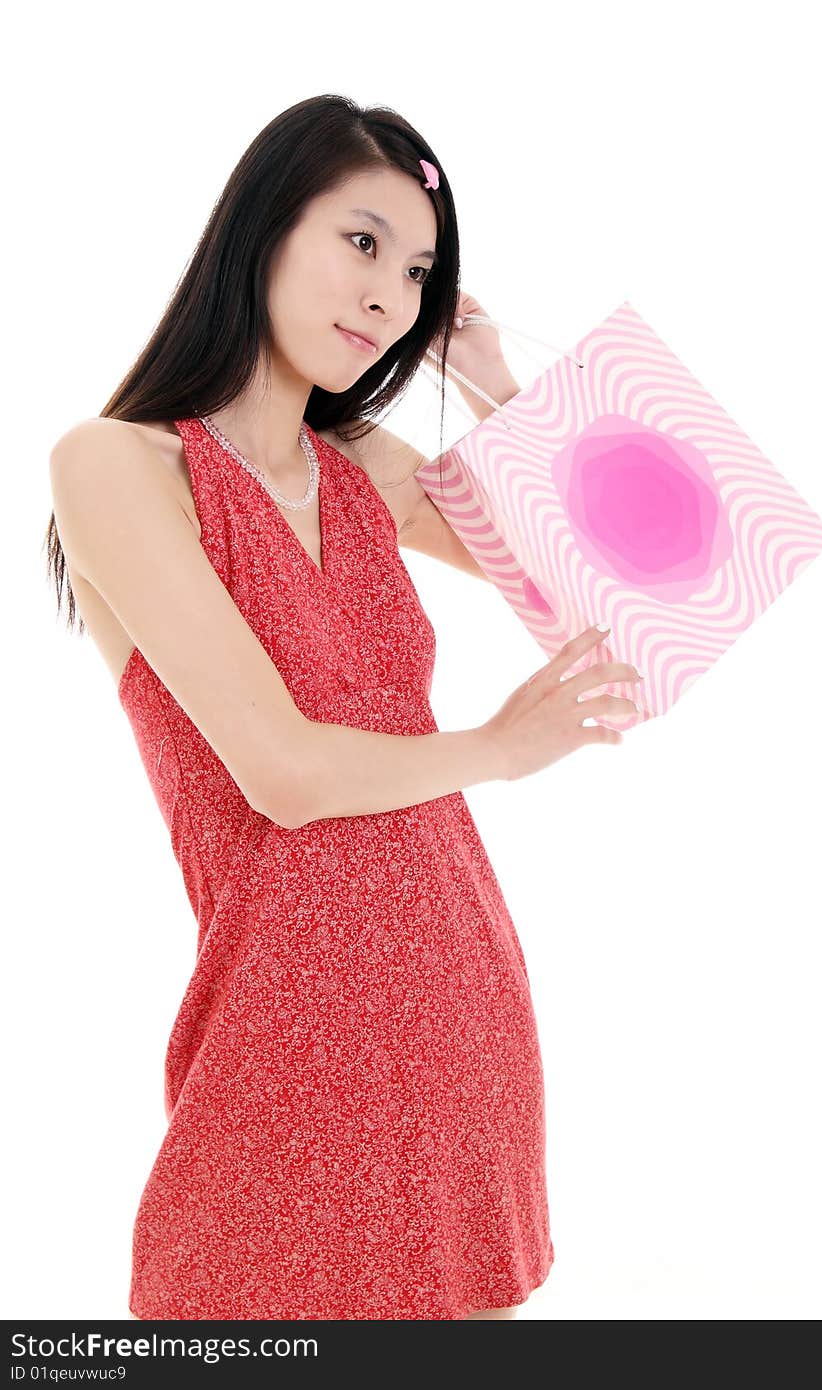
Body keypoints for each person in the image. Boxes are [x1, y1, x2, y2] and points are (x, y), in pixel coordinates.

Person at [45, 94, 642, 1321]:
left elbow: (607, 579)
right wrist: (495, 747)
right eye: (360, 242)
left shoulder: (366, 468)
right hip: (284, 1051)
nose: (387, 295)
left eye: (417, 270)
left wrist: (485, 372)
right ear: (262, 230)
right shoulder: (115, 465)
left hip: (462, 1012)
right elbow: (284, 771)